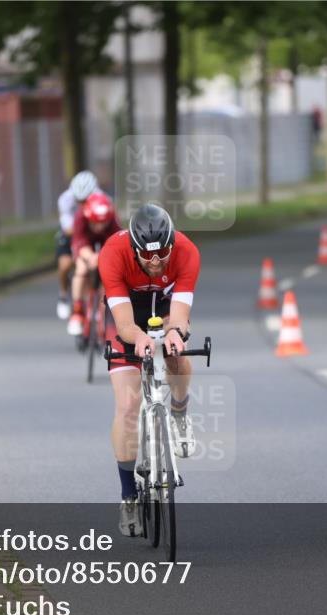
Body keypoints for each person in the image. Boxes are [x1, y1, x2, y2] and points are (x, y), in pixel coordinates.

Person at [98, 203, 200, 537]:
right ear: (134, 248)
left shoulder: (186, 252)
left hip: (167, 311)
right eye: (147, 257)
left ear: (172, 243)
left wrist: (174, 333)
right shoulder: (113, 254)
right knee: (128, 407)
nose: (156, 263)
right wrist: (139, 339)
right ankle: (128, 496)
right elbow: (125, 323)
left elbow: (181, 315)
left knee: (176, 355)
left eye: (163, 254)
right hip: (128, 316)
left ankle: (180, 414)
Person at [66, 192, 121, 336]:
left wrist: (104, 259)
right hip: (85, 243)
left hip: (106, 243)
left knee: (109, 273)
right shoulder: (80, 217)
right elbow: (78, 242)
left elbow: (117, 243)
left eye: (104, 223)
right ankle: (77, 310)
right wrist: (89, 257)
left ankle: (103, 311)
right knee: (81, 268)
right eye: (95, 223)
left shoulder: (112, 218)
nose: (100, 227)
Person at [55, 171, 99, 319]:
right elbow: (68, 228)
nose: (81, 203)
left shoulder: (101, 198)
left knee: (93, 265)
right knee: (65, 264)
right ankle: (63, 294)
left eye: (85, 200)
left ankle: (92, 299)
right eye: (78, 200)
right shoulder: (65, 199)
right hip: (71, 233)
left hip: (91, 233)